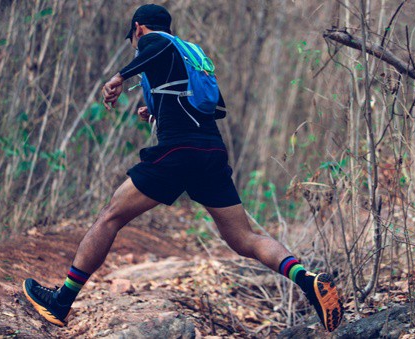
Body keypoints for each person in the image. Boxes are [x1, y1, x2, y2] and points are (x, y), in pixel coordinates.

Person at [22, 3, 343, 333]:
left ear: (138, 28)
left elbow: (155, 47)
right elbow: (214, 108)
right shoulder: (191, 53)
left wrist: (120, 76)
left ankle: (60, 302)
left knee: (110, 216)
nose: (136, 42)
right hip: (211, 151)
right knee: (245, 237)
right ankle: (307, 280)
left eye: (134, 36)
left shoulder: (155, 41)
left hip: (178, 152)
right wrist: (157, 111)